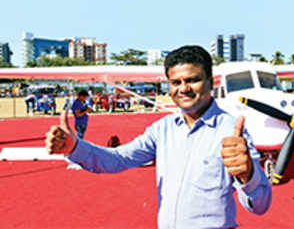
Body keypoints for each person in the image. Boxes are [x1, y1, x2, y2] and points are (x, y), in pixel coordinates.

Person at [45, 45, 272, 229]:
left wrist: (248, 175)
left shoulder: (232, 132)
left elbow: (260, 205)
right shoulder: (162, 129)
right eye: (176, 82)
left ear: (211, 82)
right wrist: (75, 147)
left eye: (192, 80)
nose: (183, 89)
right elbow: (117, 158)